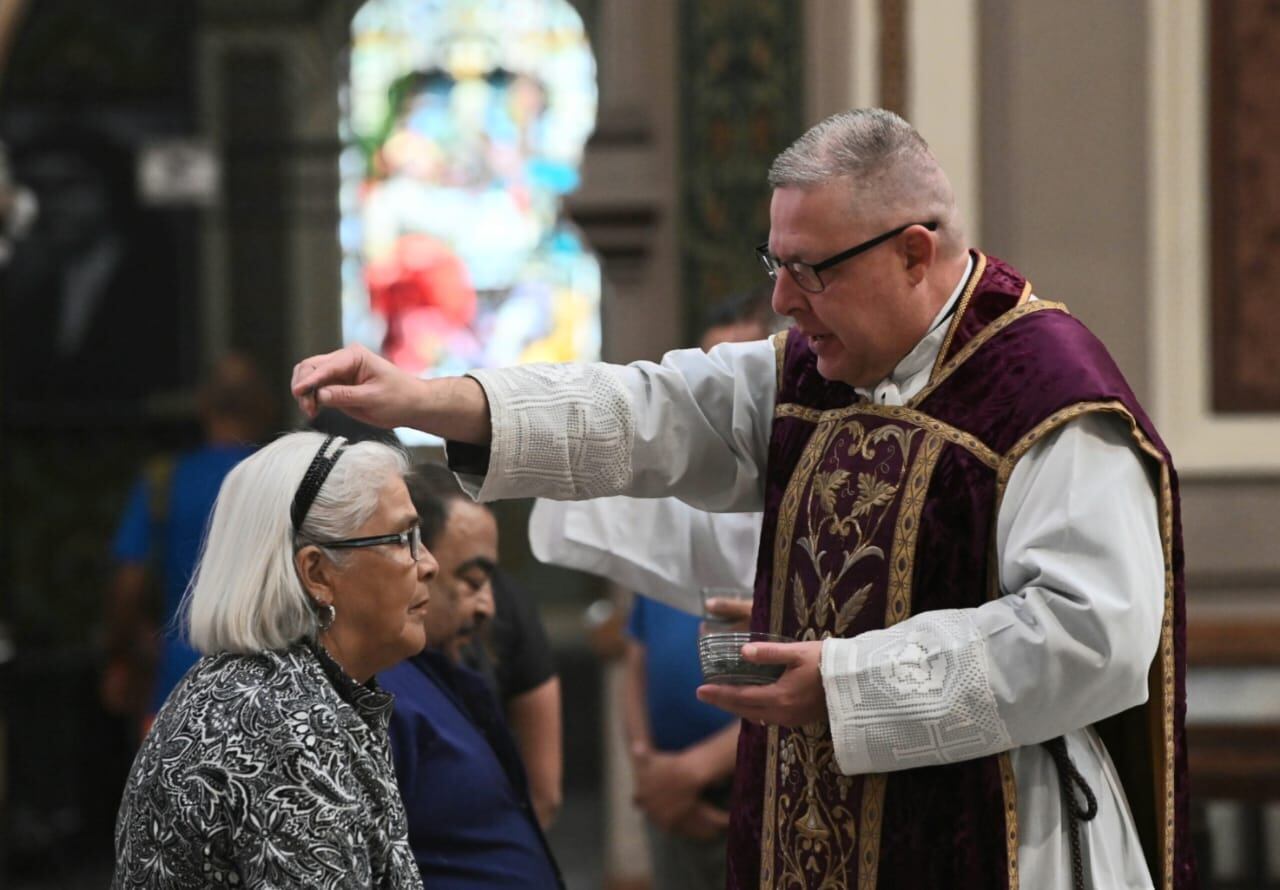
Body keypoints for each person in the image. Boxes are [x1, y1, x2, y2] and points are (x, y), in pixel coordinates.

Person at [293, 108, 1195, 890]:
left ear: (914, 253)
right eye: (776, 262)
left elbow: (1093, 636)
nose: (782, 300)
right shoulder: (813, 375)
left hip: (998, 832)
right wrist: (425, 397)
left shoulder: (1045, 398)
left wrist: (845, 681)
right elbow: (645, 410)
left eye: (811, 270)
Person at [113, 431, 433, 889]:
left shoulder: (276, 690)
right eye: (404, 538)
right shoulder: (280, 726)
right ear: (317, 573)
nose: (429, 562)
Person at [528, 291, 771, 890]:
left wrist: (690, 770)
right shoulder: (676, 505)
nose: (728, 407)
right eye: (714, 382)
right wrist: (647, 763)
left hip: (760, 776)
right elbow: (637, 646)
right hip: (669, 780)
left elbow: (809, 672)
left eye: (746, 379)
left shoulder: (805, 503)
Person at [378, 463, 563, 888]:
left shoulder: (454, 668)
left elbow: (540, 799)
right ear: (414, 563)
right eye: (472, 580)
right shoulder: (379, 692)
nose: (488, 608)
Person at [102, 353, 273, 732]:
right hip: (266, 689)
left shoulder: (164, 481)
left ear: (203, 405)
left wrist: (124, 656)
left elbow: (128, 584)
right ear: (264, 406)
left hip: (176, 685)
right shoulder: (280, 484)